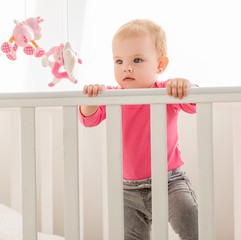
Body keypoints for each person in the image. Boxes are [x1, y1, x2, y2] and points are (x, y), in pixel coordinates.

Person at [79, 19, 198, 240]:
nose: (126, 67)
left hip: (169, 181)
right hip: (127, 190)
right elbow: (89, 119)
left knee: (192, 221)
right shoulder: (113, 96)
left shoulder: (166, 91)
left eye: (136, 59)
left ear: (160, 65)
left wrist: (186, 87)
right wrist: (91, 99)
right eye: (119, 60)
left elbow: (194, 104)